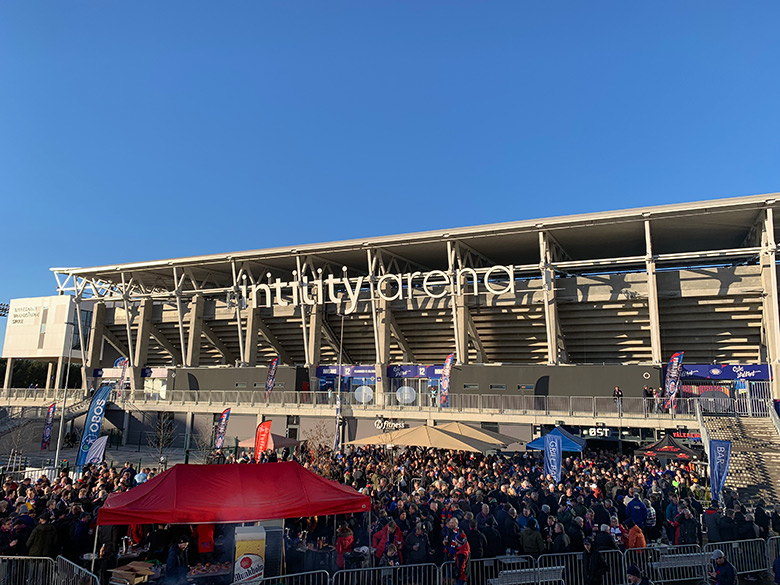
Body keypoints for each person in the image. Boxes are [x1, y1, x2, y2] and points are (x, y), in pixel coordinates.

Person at [443, 517, 470, 585]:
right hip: (449, 557)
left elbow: (462, 545)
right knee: (449, 577)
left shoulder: (460, 533)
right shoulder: (449, 531)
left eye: (452, 523)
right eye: (450, 523)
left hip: (456, 558)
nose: (450, 524)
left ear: (456, 524)